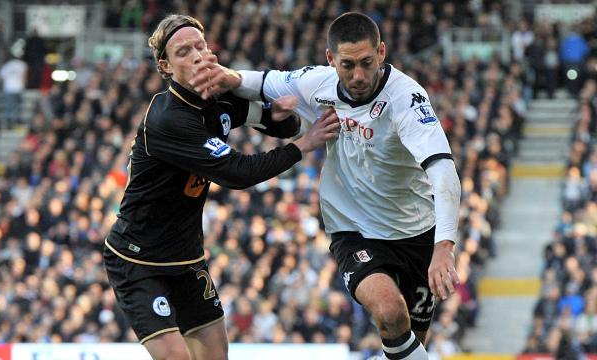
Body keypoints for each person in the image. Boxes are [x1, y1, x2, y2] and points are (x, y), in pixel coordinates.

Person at [191, 12, 461, 360]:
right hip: (353, 228)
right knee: (390, 313)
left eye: (367, 62)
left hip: (417, 231)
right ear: (331, 59)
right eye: (348, 65)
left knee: (408, 345)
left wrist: (444, 247)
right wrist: (227, 77)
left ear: (382, 52)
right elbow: (262, 83)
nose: (359, 75)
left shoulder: (406, 99)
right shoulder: (316, 82)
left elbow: (443, 172)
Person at [102, 14, 339, 360]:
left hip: (186, 255)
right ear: (165, 66)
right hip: (138, 258)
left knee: (216, 355)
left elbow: (281, 123)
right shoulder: (167, 117)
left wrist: (277, 116)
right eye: (183, 52)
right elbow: (237, 173)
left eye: (200, 46)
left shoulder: (221, 97)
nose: (197, 55)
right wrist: (303, 146)